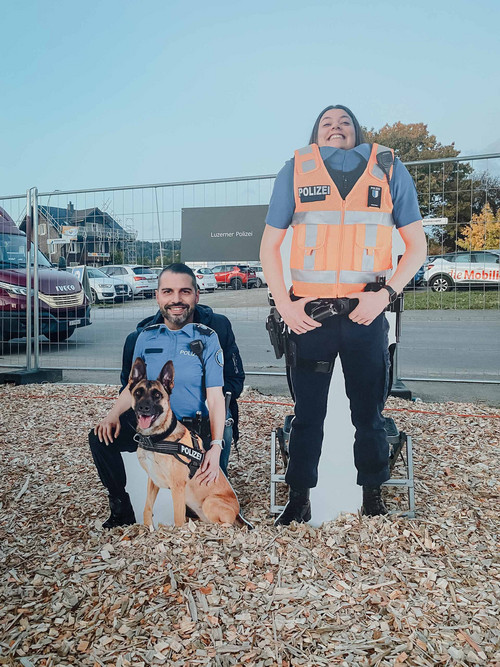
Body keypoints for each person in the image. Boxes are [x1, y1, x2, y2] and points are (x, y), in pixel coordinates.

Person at [260, 105, 427, 524]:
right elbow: (268, 248)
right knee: (307, 416)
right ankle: (298, 500)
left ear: (358, 132)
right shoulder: (296, 170)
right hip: (310, 319)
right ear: (316, 135)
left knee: (369, 415)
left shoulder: (388, 168)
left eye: (345, 122)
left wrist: (385, 296)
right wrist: (285, 306)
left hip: (365, 316)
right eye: (327, 123)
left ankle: (373, 496)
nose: (336, 128)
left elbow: (417, 247)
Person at [89, 263, 245, 528]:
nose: (176, 299)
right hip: (153, 423)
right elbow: (133, 387)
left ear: (196, 295)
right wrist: (112, 415)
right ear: (157, 296)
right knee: (100, 437)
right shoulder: (144, 337)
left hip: (195, 427)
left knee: (202, 510)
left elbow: (217, 396)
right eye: (168, 291)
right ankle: (121, 509)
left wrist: (216, 446)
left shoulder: (208, 336)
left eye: (185, 292)